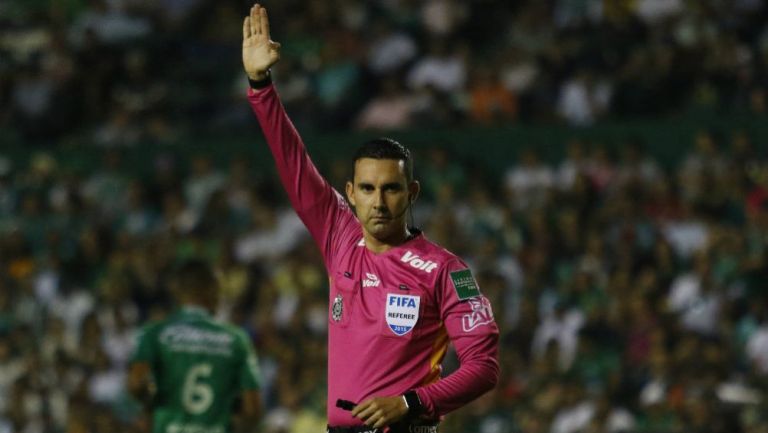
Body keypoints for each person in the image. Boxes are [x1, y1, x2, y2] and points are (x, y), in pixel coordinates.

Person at [242, 4, 500, 432]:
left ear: (411, 193)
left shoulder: (444, 271)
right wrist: (260, 85)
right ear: (351, 195)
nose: (378, 202)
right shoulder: (339, 234)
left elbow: (484, 367)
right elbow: (293, 163)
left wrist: (411, 402)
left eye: (391, 188)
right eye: (367, 189)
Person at [127, 259, 262, 433]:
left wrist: (151, 403)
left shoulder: (155, 333)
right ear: (211, 290)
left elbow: (136, 384)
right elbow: (253, 410)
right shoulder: (236, 339)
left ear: (177, 290)